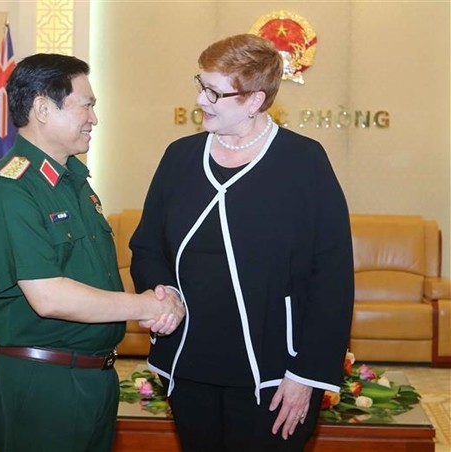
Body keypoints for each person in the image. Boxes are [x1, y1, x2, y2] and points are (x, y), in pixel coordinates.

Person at [130, 34, 354, 451]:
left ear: (254, 100)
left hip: (274, 374)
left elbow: (332, 279)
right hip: (188, 366)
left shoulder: (304, 163)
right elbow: (147, 247)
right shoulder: (179, 157)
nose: (201, 99)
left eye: (215, 91)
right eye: (200, 84)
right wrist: (164, 290)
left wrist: (306, 375)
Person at [0, 53, 185, 452]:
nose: (94, 118)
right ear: (42, 108)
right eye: (86, 105)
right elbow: (48, 295)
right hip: (42, 383)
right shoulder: (11, 188)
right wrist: (146, 307)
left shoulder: (74, 182)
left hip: (92, 377)